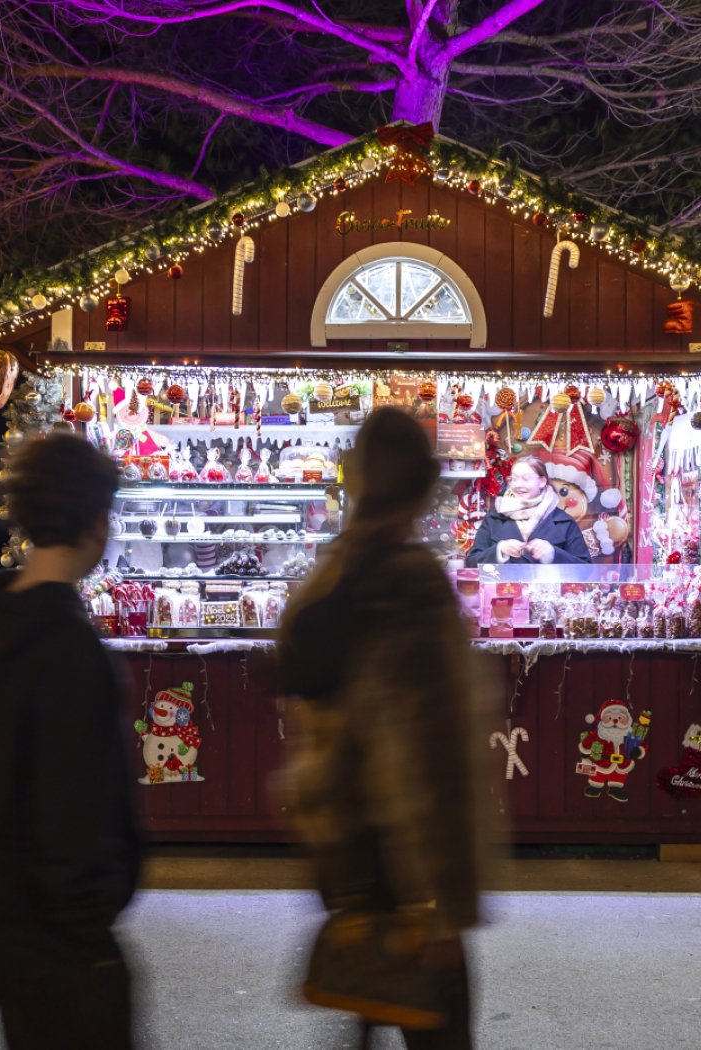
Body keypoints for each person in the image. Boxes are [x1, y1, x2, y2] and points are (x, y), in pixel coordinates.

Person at [278, 406, 489, 1050]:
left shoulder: (322, 580)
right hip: (411, 872)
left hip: (346, 857)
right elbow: (427, 755)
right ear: (427, 489)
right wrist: (442, 899)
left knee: (364, 1006)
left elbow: (308, 730)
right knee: (438, 1029)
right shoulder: (413, 586)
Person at [0, 433, 140, 1050]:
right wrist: (92, 929)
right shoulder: (71, 649)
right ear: (95, 521)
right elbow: (72, 805)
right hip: (53, 918)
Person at [465, 456, 591, 566]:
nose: (518, 485)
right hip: (503, 592)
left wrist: (553, 554)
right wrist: (499, 550)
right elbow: (471, 563)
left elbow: (585, 569)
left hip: (547, 593)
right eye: (514, 479)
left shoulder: (564, 521)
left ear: (542, 481)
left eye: (526, 479)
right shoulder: (493, 519)